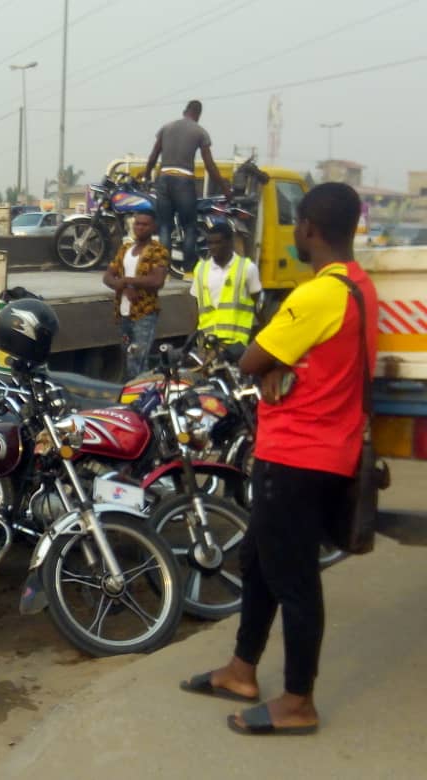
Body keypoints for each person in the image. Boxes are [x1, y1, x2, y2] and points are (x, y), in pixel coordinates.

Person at [180, 183, 378, 736]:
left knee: (293, 579)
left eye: (296, 224)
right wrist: (273, 366)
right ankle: (242, 669)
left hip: (298, 456)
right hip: (315, 449)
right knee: (259, 563)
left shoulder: (317, 295)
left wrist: (265, 364)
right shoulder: (359, 288)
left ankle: (298, 701)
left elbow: (251, 357)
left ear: (310, 229)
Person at [144, 100, 232, 272]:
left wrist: (147, 175)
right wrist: (224, 188)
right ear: (198, 114)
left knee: (164, 226)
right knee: (189, 226)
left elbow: (154, 155)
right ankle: (189, 269)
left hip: (164, 178)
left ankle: (163, 270)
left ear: (185, 111)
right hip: (184, 180)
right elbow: (209, 165)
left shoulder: (166, 128)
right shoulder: (200, 132)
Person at [101, 210, 168, 378]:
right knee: (127, 359)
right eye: (137, 223)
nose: (140, 227)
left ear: (153, 227)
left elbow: (157, 281)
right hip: (123, 313)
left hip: (144, 314)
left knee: (138, 360)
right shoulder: (125, 249)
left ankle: (139, 398)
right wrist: (123, 287)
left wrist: (126, 280)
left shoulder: (158, 251)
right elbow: (108, 276)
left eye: (145, 224)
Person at [191, 221, 262, 345]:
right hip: (208, 342)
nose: (213, 247)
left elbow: (259, 307)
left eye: (218, 242)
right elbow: (197, 308)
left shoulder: (247, 268)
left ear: (230, 243)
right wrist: (191, 338)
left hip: (237, 344)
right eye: (210, 243)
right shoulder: (201, 270)